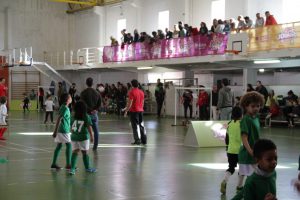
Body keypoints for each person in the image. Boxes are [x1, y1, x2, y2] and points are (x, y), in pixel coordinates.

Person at [235, 91, 265, 192]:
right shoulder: (246, 120)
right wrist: (251, 151)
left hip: (256, 151)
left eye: (258, 106)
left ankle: (240, 188)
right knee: (251, 174)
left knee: (244, 173)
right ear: (246, 106)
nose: (256, 108)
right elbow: (244, 138)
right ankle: (242, 190)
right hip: (248, 153)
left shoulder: (256, 118)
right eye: (253, 106)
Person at [69, 101, 97, 175]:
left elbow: (71, 127)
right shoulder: (86, 116)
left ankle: (72, 169)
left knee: (75, 152)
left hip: (74, 137)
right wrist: (92, 136)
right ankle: (87, 168)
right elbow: (89, 127)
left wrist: (74, 133)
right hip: (83, 137)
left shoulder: (73, 116)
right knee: (85, 153)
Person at [220, 106, 243, 195]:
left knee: (231, 168)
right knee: (242, 169)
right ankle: (239, 187)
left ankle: (225, 180)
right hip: (240, 150)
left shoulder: (229, 124)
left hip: (230, 150)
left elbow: (227, 138)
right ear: (241, 115)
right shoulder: (242, 124)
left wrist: (227, 147)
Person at [50, 93, 72, 170]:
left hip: (61, 130)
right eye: (70, 97)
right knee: (69, 145)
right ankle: (68, 164)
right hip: (64, 130)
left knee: (59, 146)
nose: (71, 98)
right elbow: (59, 119)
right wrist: (55, 131)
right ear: (67, 99)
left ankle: (53, 163)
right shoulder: (65, 108)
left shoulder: (63, 107)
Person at [80, 77, 101, 151]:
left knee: (85, 130)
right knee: (96, 131)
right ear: (93, 84)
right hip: (94, 114)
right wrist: (95, 109)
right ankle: (95, 146)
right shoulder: (97, 93)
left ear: (86, 83)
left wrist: (89, 110)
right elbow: (99, 104)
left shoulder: (83, 93)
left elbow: (82, 104)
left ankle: (85, 145)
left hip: (86, 114)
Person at [123, 79, 147, 145]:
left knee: (135, 127)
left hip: (134, 111)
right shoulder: (141, 92)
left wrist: (126, 111)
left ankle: (137, 140)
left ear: (132, 85)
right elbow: (143, 102)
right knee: (141, 125)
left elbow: (130, 103)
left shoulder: (132, 92)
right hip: (140, 111)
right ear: (138, 84)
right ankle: (144, 140)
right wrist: (141, 108)